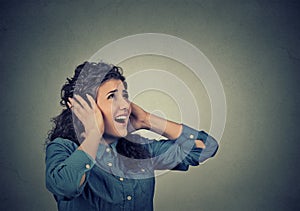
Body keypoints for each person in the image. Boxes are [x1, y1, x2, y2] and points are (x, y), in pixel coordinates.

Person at [45, 61, 219, 211]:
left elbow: (204, 147)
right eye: (112, 96)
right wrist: (93, 134)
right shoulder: (63, 148)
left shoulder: (141, 148)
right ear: (87, 108)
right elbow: (66, 187)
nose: (125, 105)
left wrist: (146, 119)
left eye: (125, 96)